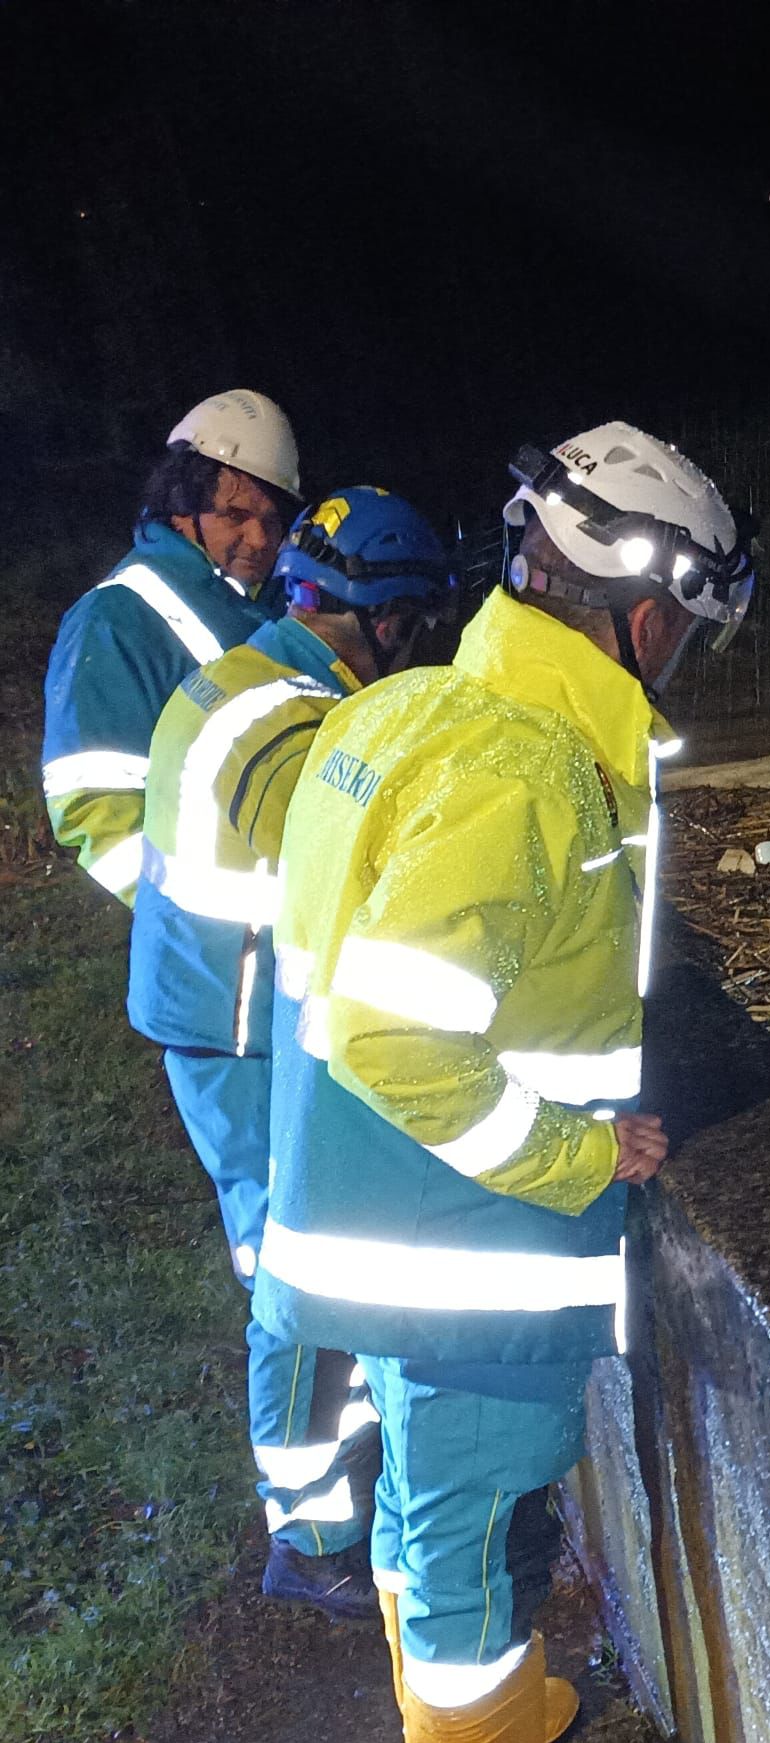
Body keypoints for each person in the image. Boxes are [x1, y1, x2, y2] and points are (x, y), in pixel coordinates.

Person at [254, 423, 753, 1743]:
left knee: (427, 1502)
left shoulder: (421, 704)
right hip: (459, 1232)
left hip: (370, 1210)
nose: (684, 660)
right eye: (692, 634)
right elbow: (400, 1035)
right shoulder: (529, 765)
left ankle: (467, 1720)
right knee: (471, 1523)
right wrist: (575, 1154)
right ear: (646, 613)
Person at [129, 488, 458, 1620]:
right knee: (286, 1274)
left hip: (216, 1010)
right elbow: (345, 878)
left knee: (303, 1270)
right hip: (239, 1028)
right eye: (418, 625)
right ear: (388, 617)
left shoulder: (252, 673)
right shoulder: (294, 720)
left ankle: (338, 1486)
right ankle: (309, 1533)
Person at [42, 390, 300, 903]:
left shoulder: (271, 599)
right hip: (216, 942)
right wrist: (187, 921)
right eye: (236, 515)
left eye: (273, 520)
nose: (259, 538)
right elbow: (96, 811)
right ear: (181, 506)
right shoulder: (113, 620)